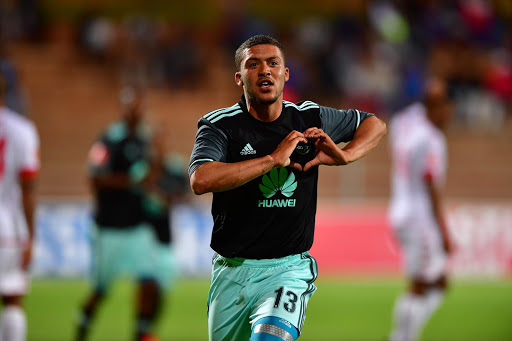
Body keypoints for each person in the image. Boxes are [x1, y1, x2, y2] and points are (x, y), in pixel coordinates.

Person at [188, 35, 387, 341]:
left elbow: (374, 124)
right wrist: (272, 159)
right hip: (231, 271)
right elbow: (201, 179)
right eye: (253, 65)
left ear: (286, 74)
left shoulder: (309, 117)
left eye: (273, 63)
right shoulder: (220, 125)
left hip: (287, 270)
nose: (264, 70)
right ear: (240, 79)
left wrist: (346, 155)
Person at [75, 86, 162, 341]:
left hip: (137, 226)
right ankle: (82, 327)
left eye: (140, 106)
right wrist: (131, 181)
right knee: (101, 289)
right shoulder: (109, 139)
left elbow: (150, 176)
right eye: (132, 106)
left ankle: (141, 332)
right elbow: (95, 177)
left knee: (149, 281)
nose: (137, 111)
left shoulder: (145, 140)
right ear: (124, 109)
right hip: (110, 227)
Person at [387, 77, 454, 341]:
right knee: (421, 284)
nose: (450, 113)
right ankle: (402, 338)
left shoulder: (405, 123)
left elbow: (403, 119)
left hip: (400, 210)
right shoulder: (432, 139)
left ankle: (401, 336)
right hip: (420, 218)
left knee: (437, 281)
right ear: (434, 108)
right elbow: (431, 186)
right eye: (445, 106)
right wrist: (444, 231)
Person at [0, 73, 39, 341]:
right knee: (12, 298)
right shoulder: (21, 129)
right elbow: (28, 188)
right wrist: (31, 236)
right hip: (7, 227)